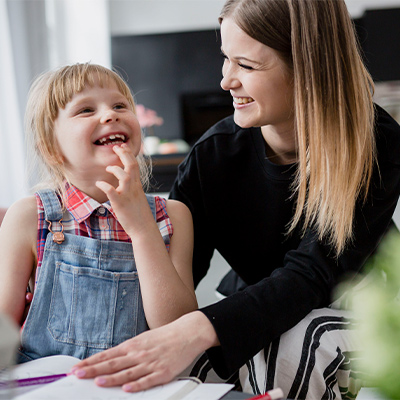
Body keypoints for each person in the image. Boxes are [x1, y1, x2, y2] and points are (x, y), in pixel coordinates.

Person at [71, 1, 400, 398]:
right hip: (258, 307)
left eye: (246, 65)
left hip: (358, 309)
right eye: (226, 58)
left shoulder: (375, 141)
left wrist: (197, 330)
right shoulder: (211, 157)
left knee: (288, 345)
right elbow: (175, 284)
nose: (226, 80)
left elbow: (312, 277)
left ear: (308, 71)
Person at [0, 63, 196, 364]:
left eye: (119, 105)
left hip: (136, 387)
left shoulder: (173, 215)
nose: (110, 114)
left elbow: (177, 329)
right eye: (86, 110)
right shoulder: (29, 217)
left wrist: (142, 228)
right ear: (52, 148)